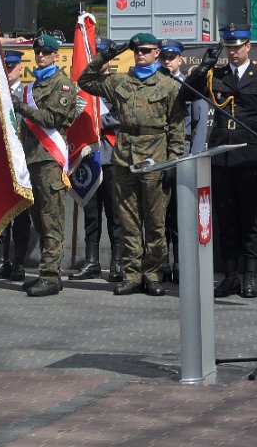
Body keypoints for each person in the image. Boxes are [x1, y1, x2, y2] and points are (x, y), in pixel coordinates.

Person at [78, 33, 185, 297]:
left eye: (146, 50)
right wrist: (108, 54)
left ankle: (153, 274)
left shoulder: (169, 85)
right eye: (136, 50)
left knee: (155, 222)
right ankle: (132, 274)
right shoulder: (119, 80)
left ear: (156, 53)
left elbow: (177, 127)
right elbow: (85, 80)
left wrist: (172, 161)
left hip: (155, 156)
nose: (140, 54)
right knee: (128, 220)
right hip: (125, 156)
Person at [185, 24, 257, 299]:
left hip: (249, 154)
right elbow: (186, 94)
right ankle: (230, 275)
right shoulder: (214, 76)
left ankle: (250, 275)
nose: (233, 52)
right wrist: (201, 68)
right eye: (229, 47)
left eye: (238, 46)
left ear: (248, 47)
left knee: (251, 219)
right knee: (227, 219)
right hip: (221, 155)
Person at [12, 33, 78, 297]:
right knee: (39, 220)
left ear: (56, 56)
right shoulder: (31, 87)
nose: (40, 55)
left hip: (49, 159)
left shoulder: (62, 84)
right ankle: (45, 273)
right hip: (31, 159)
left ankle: (51, 276)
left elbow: (51, 118)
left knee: (51, 221)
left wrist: (24, 109)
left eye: (46, 52)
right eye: (37, 52)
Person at [72, 41, 123, 282]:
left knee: (115, 213)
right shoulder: (81, 86)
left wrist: (97, 122)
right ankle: (92, 261)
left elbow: (122, 115)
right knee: (91, 213)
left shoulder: (117, 84)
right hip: (88, 156)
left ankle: (117, 262)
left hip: (110, 155)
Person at [158, 39, 207, 283]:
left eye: (171, 57)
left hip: (182, 153)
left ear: (181, 60)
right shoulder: (153, 83)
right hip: (157, 154)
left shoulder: (190, 85)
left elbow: (200, 125)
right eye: (163, 57)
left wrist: (193, 158)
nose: (167, 61)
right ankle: (160, 264)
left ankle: (180, 263)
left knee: (178, 216)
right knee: (158, 215)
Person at [0, 49, 32, 281]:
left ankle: (18, 263)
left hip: (22, 161)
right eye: (5, 67)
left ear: (20, 68)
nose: (9, 71)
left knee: (20, 214)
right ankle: (1, 261)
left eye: (12, 67)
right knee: (1, 213)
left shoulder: (27, 94)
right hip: (1, 161)